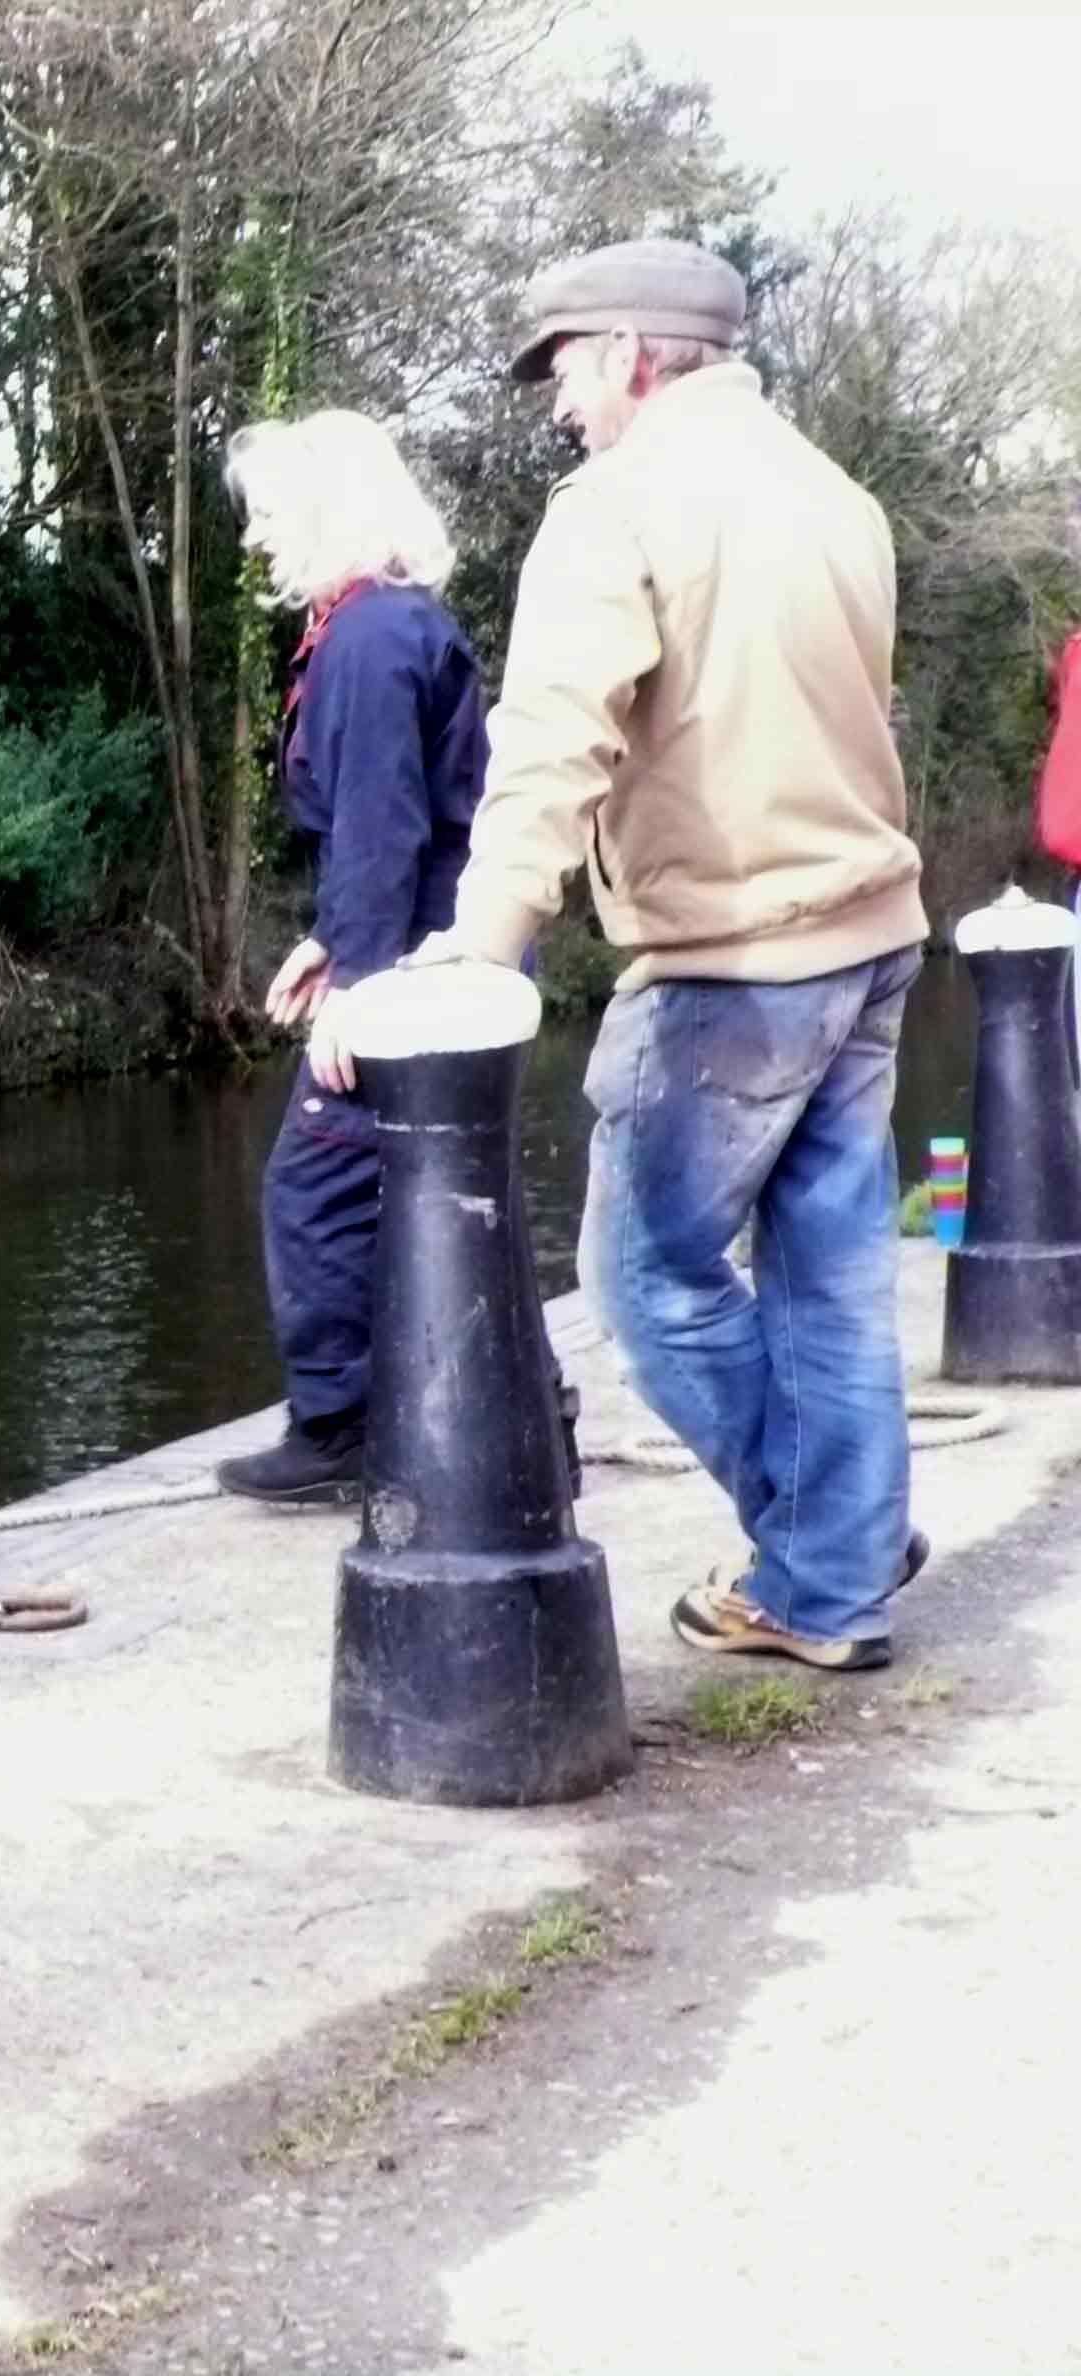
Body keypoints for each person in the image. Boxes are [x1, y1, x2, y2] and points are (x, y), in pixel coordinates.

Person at [404, 236, 931, 1671]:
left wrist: (483, 946)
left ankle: (832, 1557)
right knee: (830, 1276)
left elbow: (553, 737)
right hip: (872, 941)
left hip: (734, 963)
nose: (558, 401)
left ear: (634, 354)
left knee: (645, 1277)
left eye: (567, 366)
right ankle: (836, 1566)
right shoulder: (838, 497)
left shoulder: (620, 505)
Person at [212, 412, 492, 1505]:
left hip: (415, 976)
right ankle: (520, 1425)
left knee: (316, 1186)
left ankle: (336, 1427)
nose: (258, 541)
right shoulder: (390, 627)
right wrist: (330, 942)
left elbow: (382, 828)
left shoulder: (368, 643)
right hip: (434, 957)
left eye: (275, 514)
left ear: (334, 509)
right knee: (441, 1191)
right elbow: (404, 818)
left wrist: (360, 996)